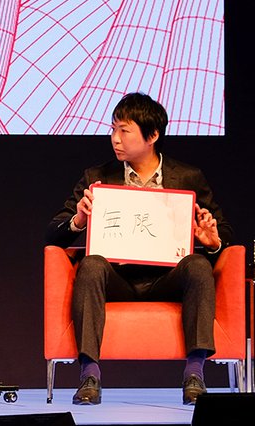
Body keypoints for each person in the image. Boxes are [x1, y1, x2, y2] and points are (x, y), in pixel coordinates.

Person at [44, 92, 231, 406]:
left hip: (167, 278)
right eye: (113, 129)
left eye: (124, 130)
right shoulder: (97, 177)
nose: (115, 139)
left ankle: (194, 374)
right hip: (118, 279)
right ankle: (89, 375)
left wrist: (212, 241)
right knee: (90, 264)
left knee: (198, 265)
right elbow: (53, 234)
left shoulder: (188, 177)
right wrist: (79, 219)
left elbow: (223, 232)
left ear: (152, 135)